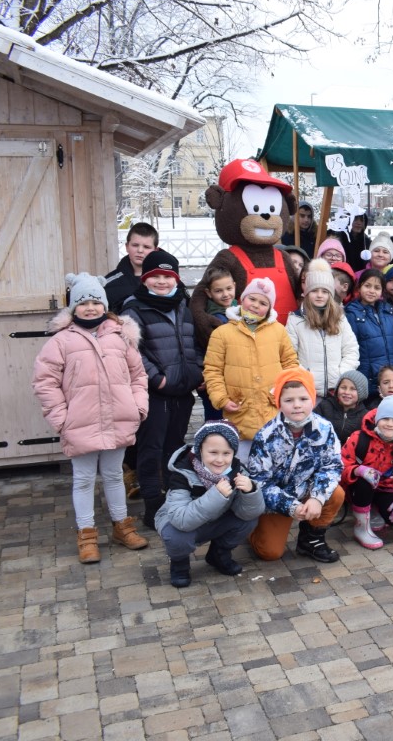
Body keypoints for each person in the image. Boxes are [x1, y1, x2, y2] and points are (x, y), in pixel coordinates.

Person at [34, 272, 150, 563]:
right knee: (83, 479)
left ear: (104, 305)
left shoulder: (120, 337)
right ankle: (86, 534)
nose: (90, 308)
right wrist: (62, 419)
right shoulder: (61, 341)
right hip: (80, 423)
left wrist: (137, 407)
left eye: (95, 302)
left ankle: (122, 526)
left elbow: (138, 376)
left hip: (118, 419)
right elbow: (45, 382)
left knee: (113, 475)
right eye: (83, 303)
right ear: (73, 307)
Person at [120, 249, 204, 528]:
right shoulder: (133, 308)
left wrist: (197, 371)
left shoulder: (183, 303)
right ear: (145, 279)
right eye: (155, 276)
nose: (161, 281)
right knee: (151, 450)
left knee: (175, 448)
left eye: (167, 276)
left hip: (183, 390)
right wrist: (157, 379)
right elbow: (133, 351)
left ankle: (173, 500)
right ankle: (153, 506)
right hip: (156, 393)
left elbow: (194, 344)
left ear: (176, 279)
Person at [247, 368, 345, 563]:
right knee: (270, 553)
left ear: (313, 399)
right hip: (277, 500)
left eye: (303, 398)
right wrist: (290, 506)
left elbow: (332, 467)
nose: (297, 405)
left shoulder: (324, 429)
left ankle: (311, 539)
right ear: (279, 403)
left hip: (307, 490)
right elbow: (260, 482)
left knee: (336, 494)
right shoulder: (265, 436)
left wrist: (317, 498)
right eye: (289, 400)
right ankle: (250, 530)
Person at [156, 421, 265, 587]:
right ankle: (179, 563)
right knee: (175, 535)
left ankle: (218, 554)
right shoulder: (182, 473)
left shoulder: (238, 471)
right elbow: (181, 519)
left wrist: (250, 492)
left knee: (248, 520)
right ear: (200, 450)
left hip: (214, 518)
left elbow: (249, 513)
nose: (220, 460)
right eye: (213, 452)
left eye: (226, 453)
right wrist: (217, 495)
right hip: (181, 522)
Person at [204, 277, 300, 460]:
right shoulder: (222, 334)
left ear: (270, 307)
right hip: (239, 411)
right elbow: (212, 370)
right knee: (242, 463)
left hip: (271, 408)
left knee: (272, 461)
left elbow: (290, 364)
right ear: (242, 298)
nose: (255, 305)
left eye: (263, 302)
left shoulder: (278, 331)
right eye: (252, 299)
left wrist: (283, 394)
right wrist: (221, 399)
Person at [340, 395, 393, 549]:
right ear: (377, 419)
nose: (390, 424)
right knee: (364, 482)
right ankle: (361, 527)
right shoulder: (359, 438)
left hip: (386, 488)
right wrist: (358, 470)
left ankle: (374, 509)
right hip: (359, 488)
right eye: (385, 419)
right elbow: (340, 466)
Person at [286, 260, 360, 398]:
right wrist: (305, 378)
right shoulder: (295, 320)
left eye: (325, 291)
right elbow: (289, 357)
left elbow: (351, 350)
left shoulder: (340, 318)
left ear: (330, 294)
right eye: (314, 290)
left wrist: (341, 374)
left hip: (336, 391)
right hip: (308, 391)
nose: (320, 295)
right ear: (307, 293)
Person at [346, 269, 393, 394]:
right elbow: (351, 350)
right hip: (368, 379)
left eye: (377, 287)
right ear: (359, 287)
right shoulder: (352, 314)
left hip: (391, 379)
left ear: (382, 291)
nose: (371, 291)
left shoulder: (388, 312)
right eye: (367, 286)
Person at [196, 266, 238, 421]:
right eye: (219, 291)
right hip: (216, 382)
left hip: (234, 378)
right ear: (209, 293)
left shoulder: (240, 310)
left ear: (234, 285)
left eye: (228, 288)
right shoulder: (209, 318)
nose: (225, 294)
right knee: (216, 422)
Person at [105, 222, 158, 312]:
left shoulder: (168, 281)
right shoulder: (108, 284)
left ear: (155, 250)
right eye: (135, 245)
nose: (140, 250)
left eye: (146, 247)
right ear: (127, 246)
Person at [315, 370, 369, 444]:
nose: (347, 392)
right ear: (337, 389)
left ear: (361, 393)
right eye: (343, 387)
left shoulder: (365, 416)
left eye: (353, 389)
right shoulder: (324, 406)